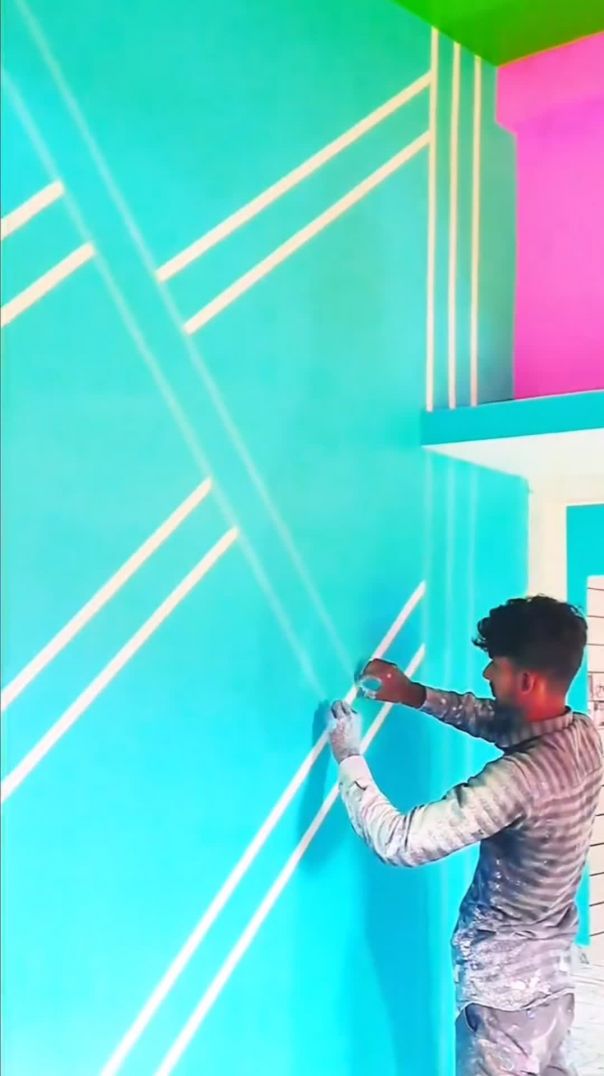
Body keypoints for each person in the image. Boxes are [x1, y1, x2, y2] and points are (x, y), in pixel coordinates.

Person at [327, 595, 603, 1076]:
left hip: (504, 1005)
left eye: (496, 666)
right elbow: (503, 721)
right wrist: (415, 694)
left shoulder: (519, 781)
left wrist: (348, 756)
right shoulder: (583, 735)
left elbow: (401, 842)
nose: (486, 675)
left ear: (527, 681)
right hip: (552, 984)